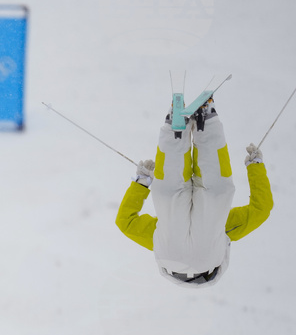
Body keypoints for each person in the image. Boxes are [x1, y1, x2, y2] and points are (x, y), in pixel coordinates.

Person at [115, 98, 273, 287]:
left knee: (215, 191)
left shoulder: (223, 234)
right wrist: (142, 182)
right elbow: (124, 222)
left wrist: (255, 166)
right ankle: (175, 132)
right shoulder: (158, 241)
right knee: (170, 193)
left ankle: (207, 123)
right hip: (169, 255)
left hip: (208, 258)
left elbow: (261, 209)